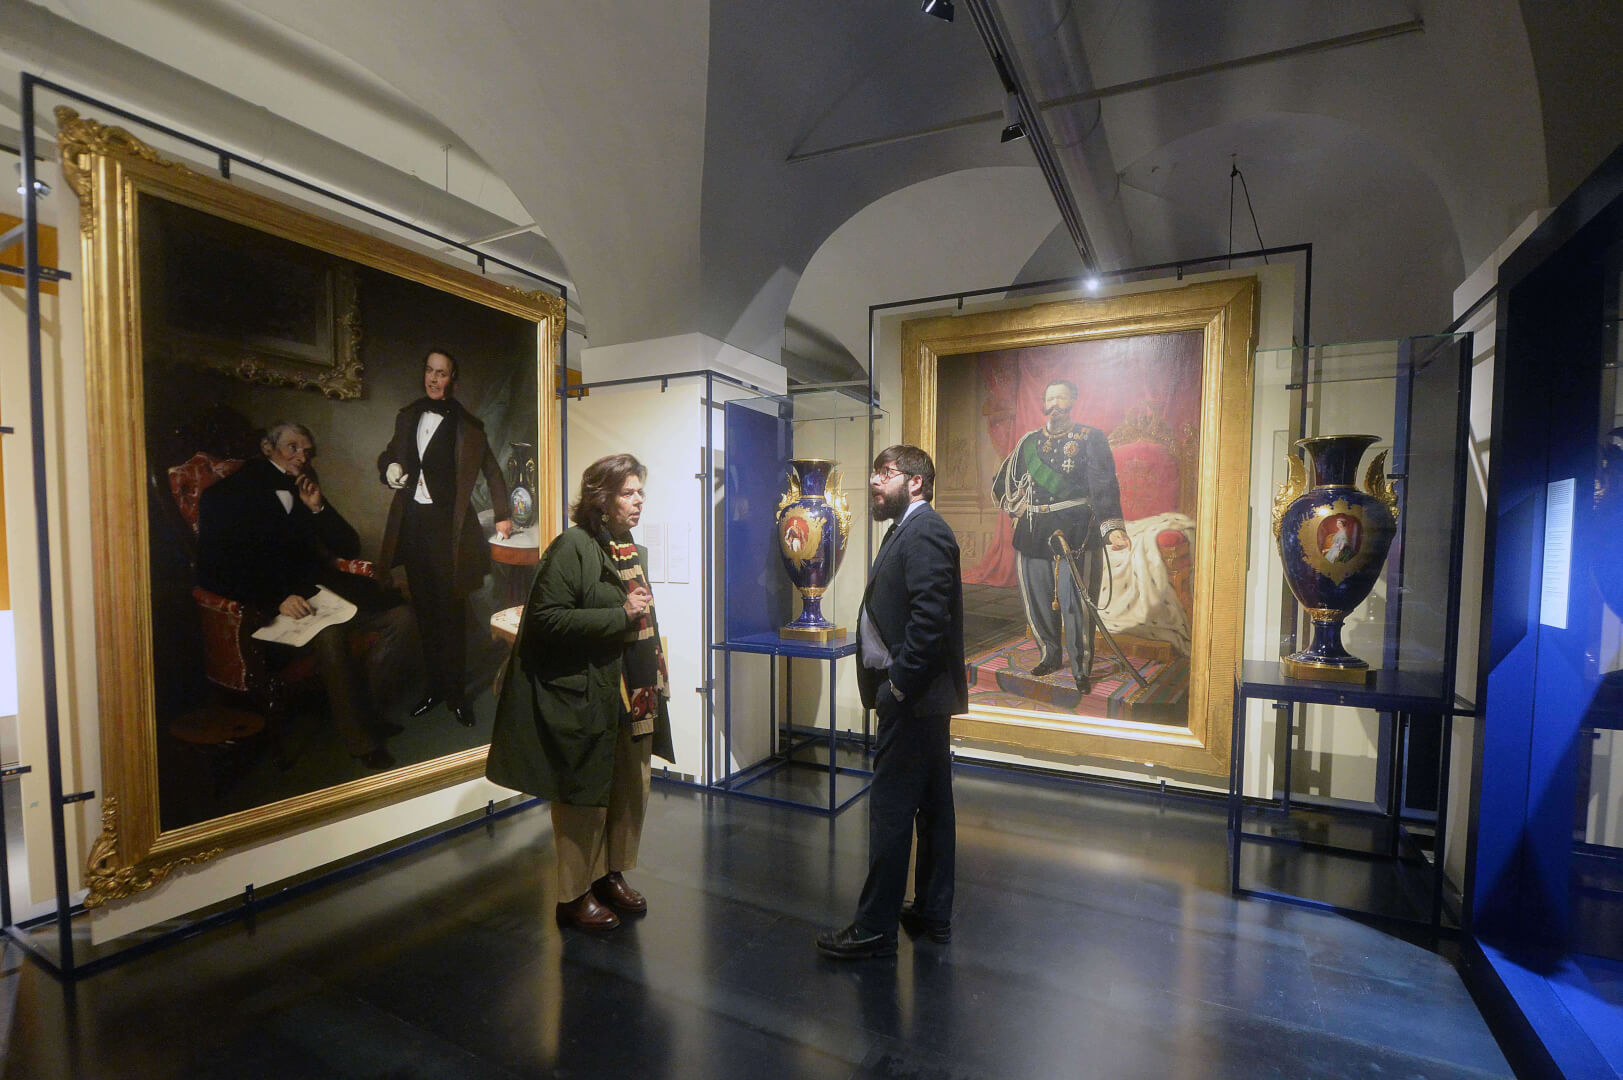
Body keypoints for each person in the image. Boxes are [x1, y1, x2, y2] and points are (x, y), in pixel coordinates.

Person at [485, 453, 676, 931]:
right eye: (628, 493)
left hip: (633, 692)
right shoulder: (572, 547)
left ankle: (611, 875)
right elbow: (545, 620)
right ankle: (573, 896)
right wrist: (620, 615)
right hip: (588, 694)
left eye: (640, 492)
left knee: (629, 786)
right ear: (602, 500)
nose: (638, 501)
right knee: (582, 796)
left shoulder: (628, 547)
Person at [817, 445, 966, 959]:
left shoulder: (924, 531)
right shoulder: (910, 528)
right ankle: (932, 913)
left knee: (891, 811)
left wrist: (898, 684)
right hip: (922, 699)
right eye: (875, 472)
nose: (874, 482)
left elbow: (930, 620)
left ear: (915, 482)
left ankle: (875, 928)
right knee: (933, 808)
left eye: (885, 473)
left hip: (913, 698)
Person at [197, 421, 413, 770]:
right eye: (293, 448)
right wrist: (276, 599)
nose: (302, 457)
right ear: (267, 448)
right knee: (330, 634)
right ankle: (362, 742)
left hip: (319, 593)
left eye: (307, 451)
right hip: (266, 608)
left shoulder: (303, 484)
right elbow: (213, 572)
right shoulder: (226, 495)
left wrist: (318, 508)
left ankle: (367, 713)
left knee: (401, 619)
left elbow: (348, 545)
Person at [377, 348, 512, 727]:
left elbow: (492, 471)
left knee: (451, 617)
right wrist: (390, 467)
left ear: (454, 380)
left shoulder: (468, 426)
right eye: (430, 371)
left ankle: (456, 695)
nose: (434, 380)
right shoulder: (408, 415)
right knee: (425, 615)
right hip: (413, 529)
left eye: (442, 373)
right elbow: (389, 454)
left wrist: (503, 515)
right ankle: (434, 688)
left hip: (449, 533)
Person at [990, 378, 1129, 693]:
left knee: (1076, 604)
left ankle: (1081, 666)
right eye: (1050, 399)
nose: (1055, 404)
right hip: (1033, 530)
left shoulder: (1090, 438)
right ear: (1044, 404)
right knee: (1038, 600)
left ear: (1073, 401)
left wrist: (1112, 528)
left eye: (1061, 398)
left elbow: (1104, 484)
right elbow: (1003, 482)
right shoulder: (1028, 442)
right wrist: (1016, 507)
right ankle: (1049, 655)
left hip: (1076, 529)